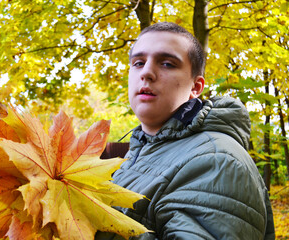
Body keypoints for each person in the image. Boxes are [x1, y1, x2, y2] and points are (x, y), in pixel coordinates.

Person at [96, 22, 275, 239]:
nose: (147, 73)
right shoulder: (140, 152)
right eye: (139, 62)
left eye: (168, 64)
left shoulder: (217, 161)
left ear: (196, 87)